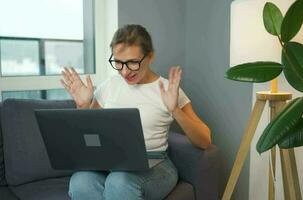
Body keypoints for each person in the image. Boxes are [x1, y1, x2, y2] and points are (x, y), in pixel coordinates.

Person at [60, 24, 211, 200]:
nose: (124, 71)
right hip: (111, 162)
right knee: (81, 181)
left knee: (119, 182)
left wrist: (175, 109)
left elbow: (204, 141)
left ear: (150, 57)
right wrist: (83, 106)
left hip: (155, 164)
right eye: (118, 62)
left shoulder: (169, 90)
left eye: (132, 62)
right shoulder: (110, 86)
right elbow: (89, 135)